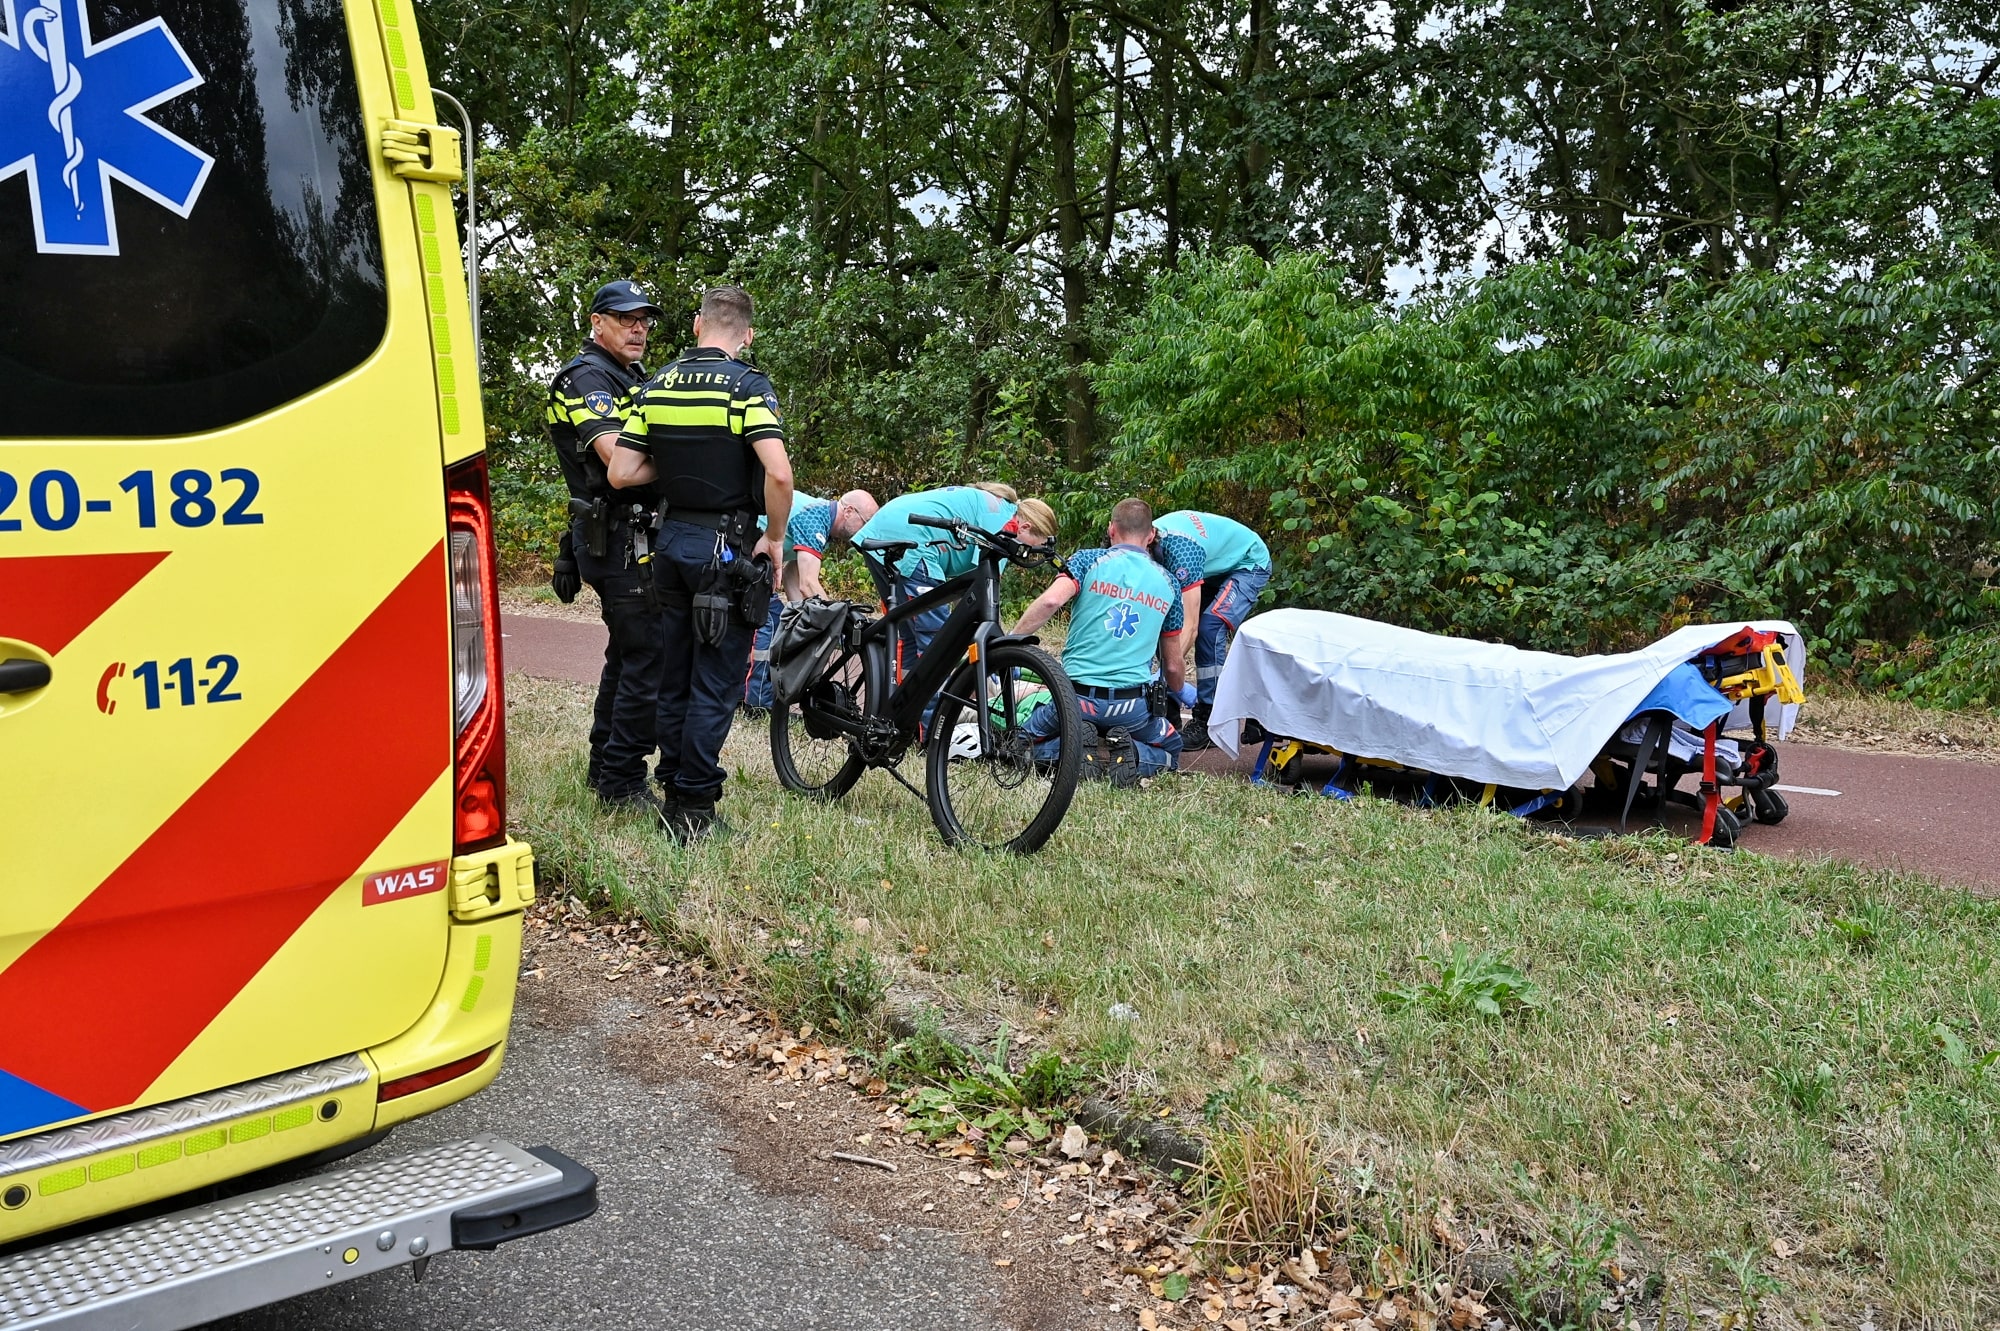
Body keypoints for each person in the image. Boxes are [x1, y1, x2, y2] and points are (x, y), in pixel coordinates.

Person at [609, 285, 793, 842]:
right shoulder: (748, 388)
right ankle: (693, 809)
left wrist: (675, 469)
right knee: (715, 682)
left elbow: (620, 472)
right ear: (748, 334)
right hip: (725, 549)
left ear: (696, 326)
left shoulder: (655, 385)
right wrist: (777, 539)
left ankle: (671, 785)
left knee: (676, 675)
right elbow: (779, 475)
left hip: (669, 546)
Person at [545, 279, 665, 810]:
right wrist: (695, 467)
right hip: (615, 537)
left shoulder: (628, 375)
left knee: (628, 654)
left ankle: (604, 765)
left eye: (644, 319)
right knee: (646, 656)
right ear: (597, 322)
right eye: (625, 318)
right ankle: (621, 782)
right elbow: (617, 461)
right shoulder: (587, 377)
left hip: (628, 533)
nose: (638, 327)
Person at [1013, 498, 1186, 776]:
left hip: (1073, 699)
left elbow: (1050, 602)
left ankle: (1077, 750)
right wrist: (1178, 691)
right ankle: (1126, 755)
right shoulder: (1170, 584)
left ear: (1111, 529)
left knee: (1018, 743)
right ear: (1151, 535)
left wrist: (1010, 640)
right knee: (1172, 749)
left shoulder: (1087, 560)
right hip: (1132, 708)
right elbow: (1174, 667)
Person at [853, 483, 1056, 685]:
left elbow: (972, 598)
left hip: (883, 529)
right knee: (936, 643)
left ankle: (899, 708)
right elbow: (985, 601)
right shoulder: (1005, 527)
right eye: (1029, 548)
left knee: (911, 638)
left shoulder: (1000, 508)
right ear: (1025, 528)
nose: (1024, 555)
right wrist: (998, 658)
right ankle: (929, 714)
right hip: (912, 541)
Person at [743, 488, 879, 711]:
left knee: (769, 616)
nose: (864, 532)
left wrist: (801, 613)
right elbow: (808, 584)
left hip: (752, 558)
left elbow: (791, 575)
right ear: (849, 511)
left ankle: (746, 693)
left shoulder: (821, 518)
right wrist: (836, 622)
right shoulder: (815, 517)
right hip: (741, 549)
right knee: (770, 619)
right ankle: (757, 703)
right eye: (865, 523)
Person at [1150, 510, 1272, 751]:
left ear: (1149, 540)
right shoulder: (1138, 543)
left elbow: (1191, 627)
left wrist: (1162, 674)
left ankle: (1209, 720)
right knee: (1165, 622)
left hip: (1248, 563)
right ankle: (1168, 712)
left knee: (1209, 627)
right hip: (1212, 567)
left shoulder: (1181, 551)